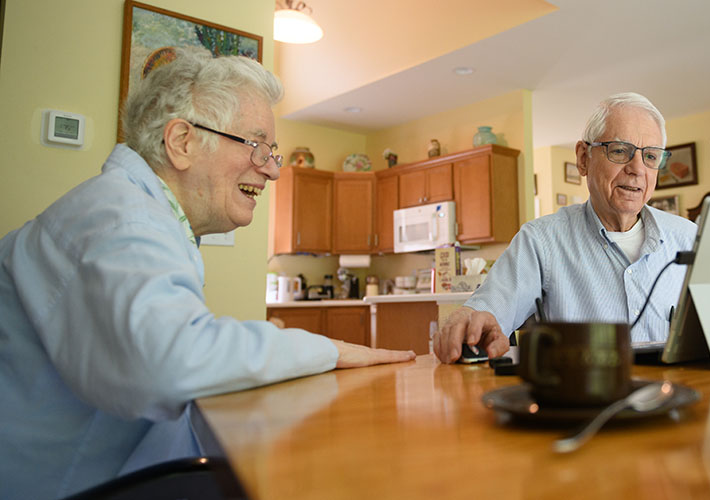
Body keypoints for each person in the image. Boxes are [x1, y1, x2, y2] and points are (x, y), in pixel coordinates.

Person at [0, 47, 415, 499]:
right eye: (257, 145)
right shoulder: (121, 218)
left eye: (271, 150)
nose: (272, 169)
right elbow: (173, 360)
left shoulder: (141, 215)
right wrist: (328, 349)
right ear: (182, 142)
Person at [433, 92, 697, 364]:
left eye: (651, 157)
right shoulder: (541, 241)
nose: (637, 169)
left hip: (672, 397)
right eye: (620, 151)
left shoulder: (688, 238)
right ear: (583, 158)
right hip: (581, 399)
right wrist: (466, 320)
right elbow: (486, 312)